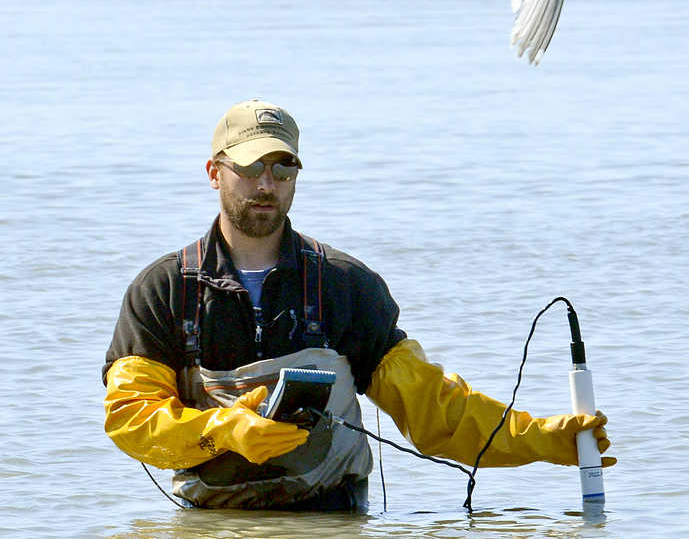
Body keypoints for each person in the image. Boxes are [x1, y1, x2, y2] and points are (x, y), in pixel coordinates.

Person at [103, 99, 614, 510]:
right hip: (213, 535)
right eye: (250, 167)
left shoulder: (345, 286)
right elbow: (131, 420)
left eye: (282, 169)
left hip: (332, 525)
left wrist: (544, 440)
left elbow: (435, 410)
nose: (266, 185)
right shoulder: (162, 290)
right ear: (214, 172)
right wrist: (225, 431)